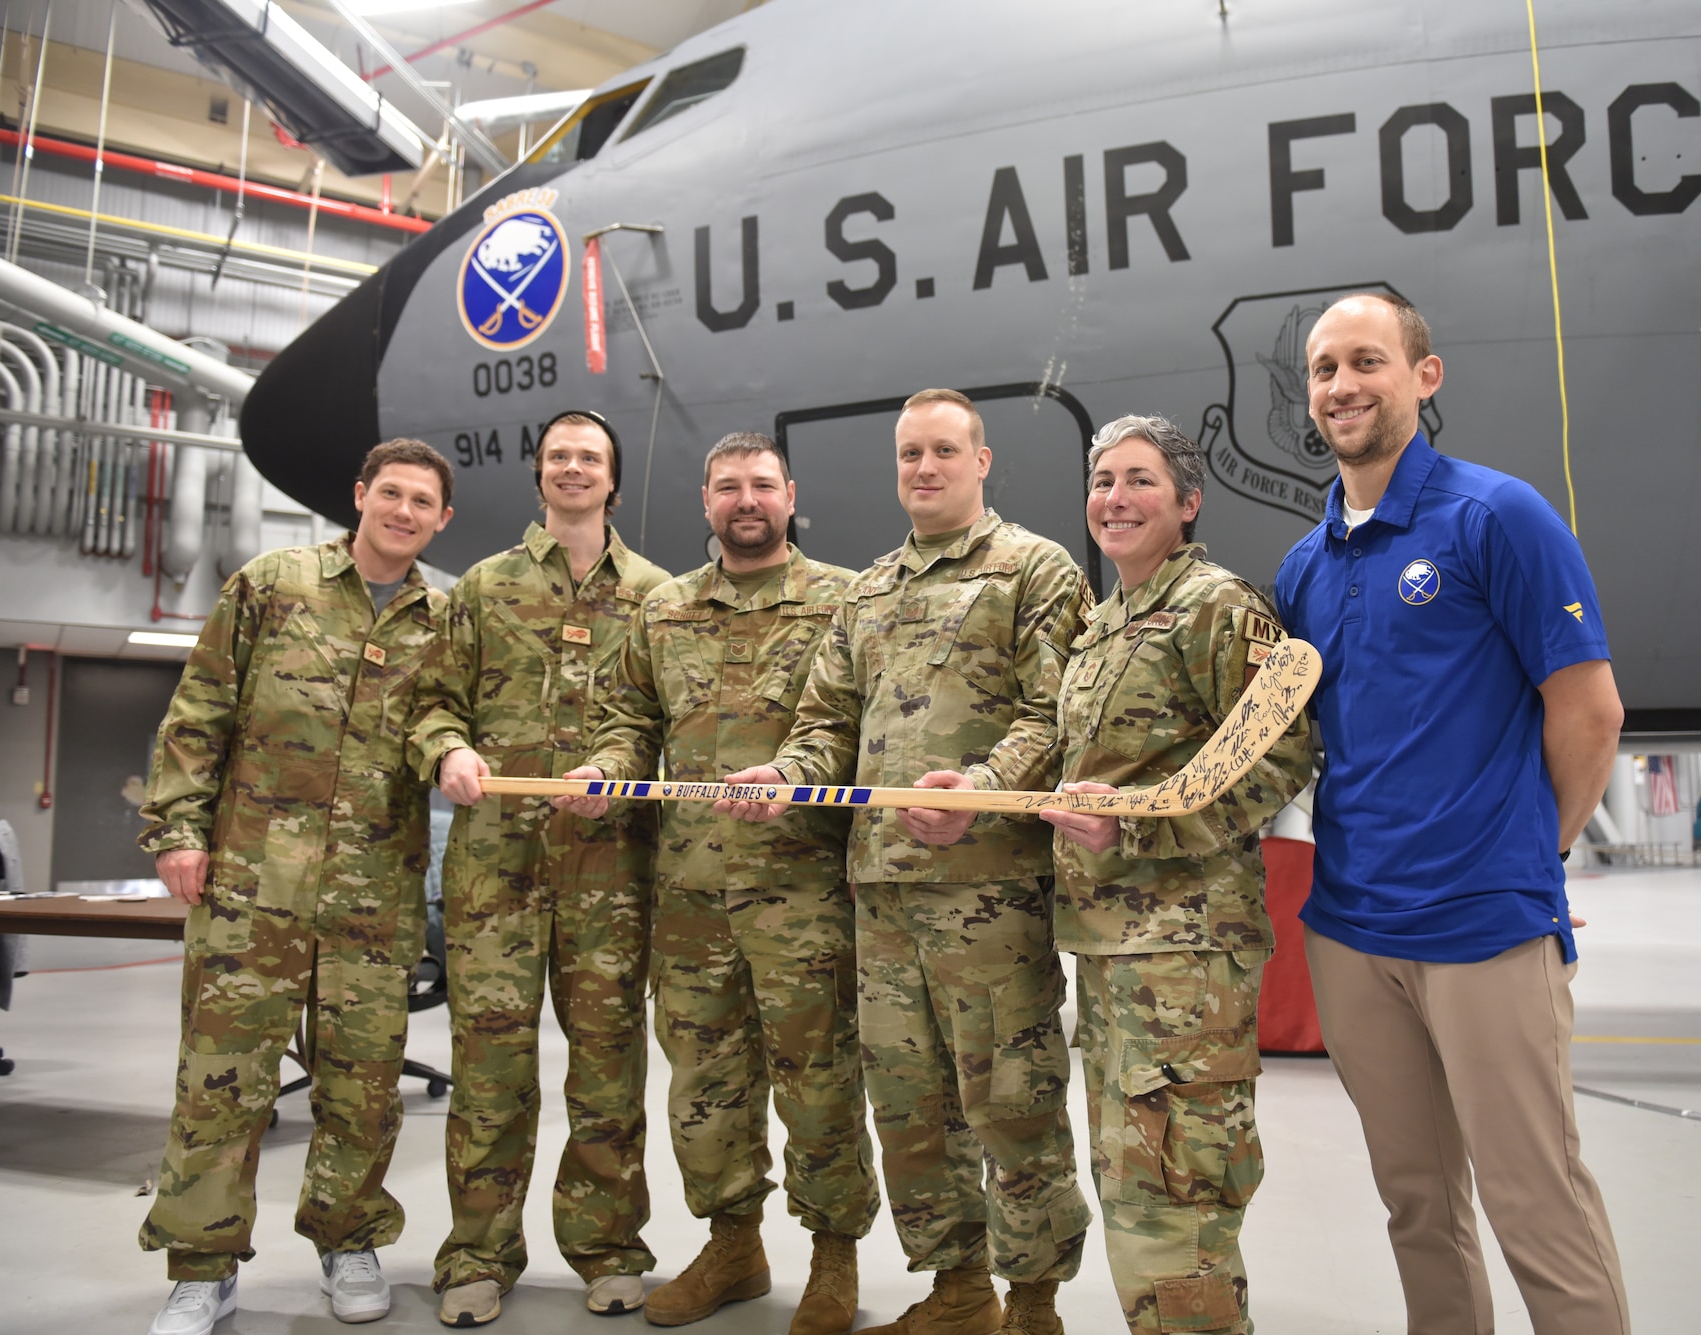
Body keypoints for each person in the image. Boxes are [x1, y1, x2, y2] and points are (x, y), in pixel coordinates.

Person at [1272, 293, 1630, 1335]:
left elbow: (1588, 711)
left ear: (1422, 379)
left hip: (1481, 925)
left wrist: (1531, 852)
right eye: (1323, 368)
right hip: (1349, 933)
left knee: (1535, 1203)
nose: (1342, 385)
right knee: (1417, 1205)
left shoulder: (1494, 517)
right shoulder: (1304, 568)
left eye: (1366, 362)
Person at [720, 389, 1094, 1335]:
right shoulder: (869, 589)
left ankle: (1034, 1305)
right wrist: (786, 770)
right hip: (881, 891)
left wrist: (977, 786)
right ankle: (958, 1290)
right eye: (908, 455)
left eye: (941, 451)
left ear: (981, 459)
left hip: (992, 894)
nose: (923, 468)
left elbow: (1056, 717)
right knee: (910, 1106)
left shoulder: (1034, 570)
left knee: (1012, 1102)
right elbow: (825, 727)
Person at [556, 432, 878, 1333]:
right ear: (705, 500)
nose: (747, 499)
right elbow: (629, 722)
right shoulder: (662, 610)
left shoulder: (843, 601)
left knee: (818, 1084)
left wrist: (795, 776)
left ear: (789, 495)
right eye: (729, 485)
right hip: (691, 897)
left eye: (762, 485)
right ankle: (733, 1243)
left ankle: (833, 1255)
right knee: (703, 1088)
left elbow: (856, 727)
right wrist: (604, 770)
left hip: (804, 894)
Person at [136, 439, 456, 1334]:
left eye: (421, 501)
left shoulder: (445, 619)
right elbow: (199, 710)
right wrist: (176, 829)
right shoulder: (273, 584)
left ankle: (347, 1240)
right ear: (360, 496)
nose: (402, 511)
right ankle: (202, 1266)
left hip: (375, 893)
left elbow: (451, 727)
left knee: (361, 1083)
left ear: (442, 520)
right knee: (221, 1079)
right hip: (249, 883)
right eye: (389, 492)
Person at [1041, 415, 1310, 1335]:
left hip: (1186, 952)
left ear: (1188, 502)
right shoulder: (1103, 624)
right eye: (1104, 479)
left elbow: (1282, 754)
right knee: (1130, 1174)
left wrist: (1141, 835)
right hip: (1113, 947)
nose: (1115, 498)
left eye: (1141, 480)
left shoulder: (1214, 606)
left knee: (1182, 1177)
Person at [411, 410, 671, 1327]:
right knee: (489, 1068)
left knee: (606, 1067)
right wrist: (447, 749)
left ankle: (608, 1247)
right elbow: (435, 701)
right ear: (538, 474)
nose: (572, 468)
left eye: (589, 458)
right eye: (558, 456)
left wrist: (619, 769)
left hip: (609, 870)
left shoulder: (654, 594)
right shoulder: (482, 587)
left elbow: (658, 720)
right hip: (496, 872)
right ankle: (478, 1253)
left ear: (612, 479)